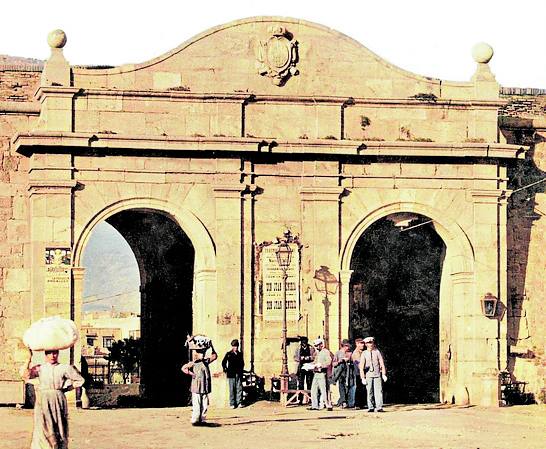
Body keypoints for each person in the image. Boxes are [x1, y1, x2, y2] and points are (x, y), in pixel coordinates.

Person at [21, 347, 85, 449]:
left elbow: (80, 380)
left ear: (58, 354)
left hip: (58, 398)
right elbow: (25, 376)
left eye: (55, 353)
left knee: (58, 424)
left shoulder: (64, 368)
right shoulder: (40, 368)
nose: (52, 356)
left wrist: (68, 388)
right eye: (49, 354)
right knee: (42, 424)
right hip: (43, 398)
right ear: (45, 355)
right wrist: (29, 358)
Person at [182, 341, 218, 425]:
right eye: (201, 353)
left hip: (205, 386)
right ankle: (195, 420)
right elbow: (183, 368)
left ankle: (202, 419)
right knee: (197, 404)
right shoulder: (194, 363)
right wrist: (191, 374)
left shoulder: (206, 361)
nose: (202, 355)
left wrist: (212, 346)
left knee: (204, 404)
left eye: (203, 353)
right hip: (196, 386)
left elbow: (215, 356)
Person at [359, 336, 387, 413]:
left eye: (371, 343)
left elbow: (382, 363)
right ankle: (370, 406)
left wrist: (383, 374)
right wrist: (363, 377)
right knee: (369, 391)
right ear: (366, 344)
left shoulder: (377, 352)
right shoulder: (364, 353)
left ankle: (379, 407)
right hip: (368, 375)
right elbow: (361, 366)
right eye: (368, 343)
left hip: (377, 374)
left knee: (378, 391)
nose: (370, 344)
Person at [308, 337, 333, 411]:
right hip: (316, 373)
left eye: (317, 345)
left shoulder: (325, 352)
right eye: (315, 346)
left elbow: (328, 362)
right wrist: (309, 365)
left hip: (322, 373)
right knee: (313, 389)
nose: (316, 347)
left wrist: (321, 365)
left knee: (323, 390)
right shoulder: (317, 353)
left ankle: (328, 405)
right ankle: (314, 405)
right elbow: (315, 361)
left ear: (321, 345)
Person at [221, 339, 245, 409]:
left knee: (239, 388)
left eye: (237, 346)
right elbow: (223, 362)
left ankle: (239, 402)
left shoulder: (240, 354)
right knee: (232, 389)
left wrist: (241, 370)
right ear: (232, 346)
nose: (236, 348)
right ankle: (232, 403)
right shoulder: (228, 354)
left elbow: (242, 363)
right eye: (234, 346)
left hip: (238, 373)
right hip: (231, 373)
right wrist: (225, 370)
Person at [332, 339, 356, 408]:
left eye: (348, 346)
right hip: (340, 373)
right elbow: (334, 364)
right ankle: (343, 402)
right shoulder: (338, 353)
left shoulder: (351, 353)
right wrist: (340, 361)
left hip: (349, 372)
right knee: (341, 387)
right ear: (342, 346)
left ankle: (346, 401)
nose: (347, 348)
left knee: (349, 387)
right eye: (345, 346)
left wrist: (350, 361)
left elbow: (354, 362)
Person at [294, 336, 315, 404]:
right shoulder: (298, 348)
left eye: (305, 342)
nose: (304, 343)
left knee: (309, 382)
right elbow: (295, 357)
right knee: (300, 383)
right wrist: (300, 358)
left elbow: (314, 356)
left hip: (309, 367)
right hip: (301, 367)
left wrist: (308, 358)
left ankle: (311, 399)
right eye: (302, 342)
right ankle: (300, 399)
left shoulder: (311, 348)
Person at [351, 338, 366, 409]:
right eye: (361, 343)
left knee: (362, 388)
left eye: (363, 343)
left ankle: (362, 403)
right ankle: (357, 404)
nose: (362, 345)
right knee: (359, 388)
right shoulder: (356, 353)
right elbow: (359, 363)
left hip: (362, 372)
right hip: (359, 373)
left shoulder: (362, 352)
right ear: (357, 344)